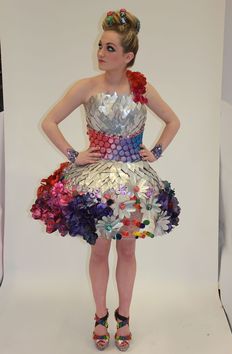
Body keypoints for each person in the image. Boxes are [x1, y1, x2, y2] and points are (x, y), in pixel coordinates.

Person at [30, 8, 181, 352]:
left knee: (127, 250)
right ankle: (100, 316)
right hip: (95, 183)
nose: (101, 52)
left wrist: (155, 151)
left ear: (128, 57)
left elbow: (173, 120)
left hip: (133, 183)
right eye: (101, 45)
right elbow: (50, 122)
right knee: (99, 251)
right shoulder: (85, 88)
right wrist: (74, 155)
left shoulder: (143, 88)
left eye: (110, 48)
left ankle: (124, 316)